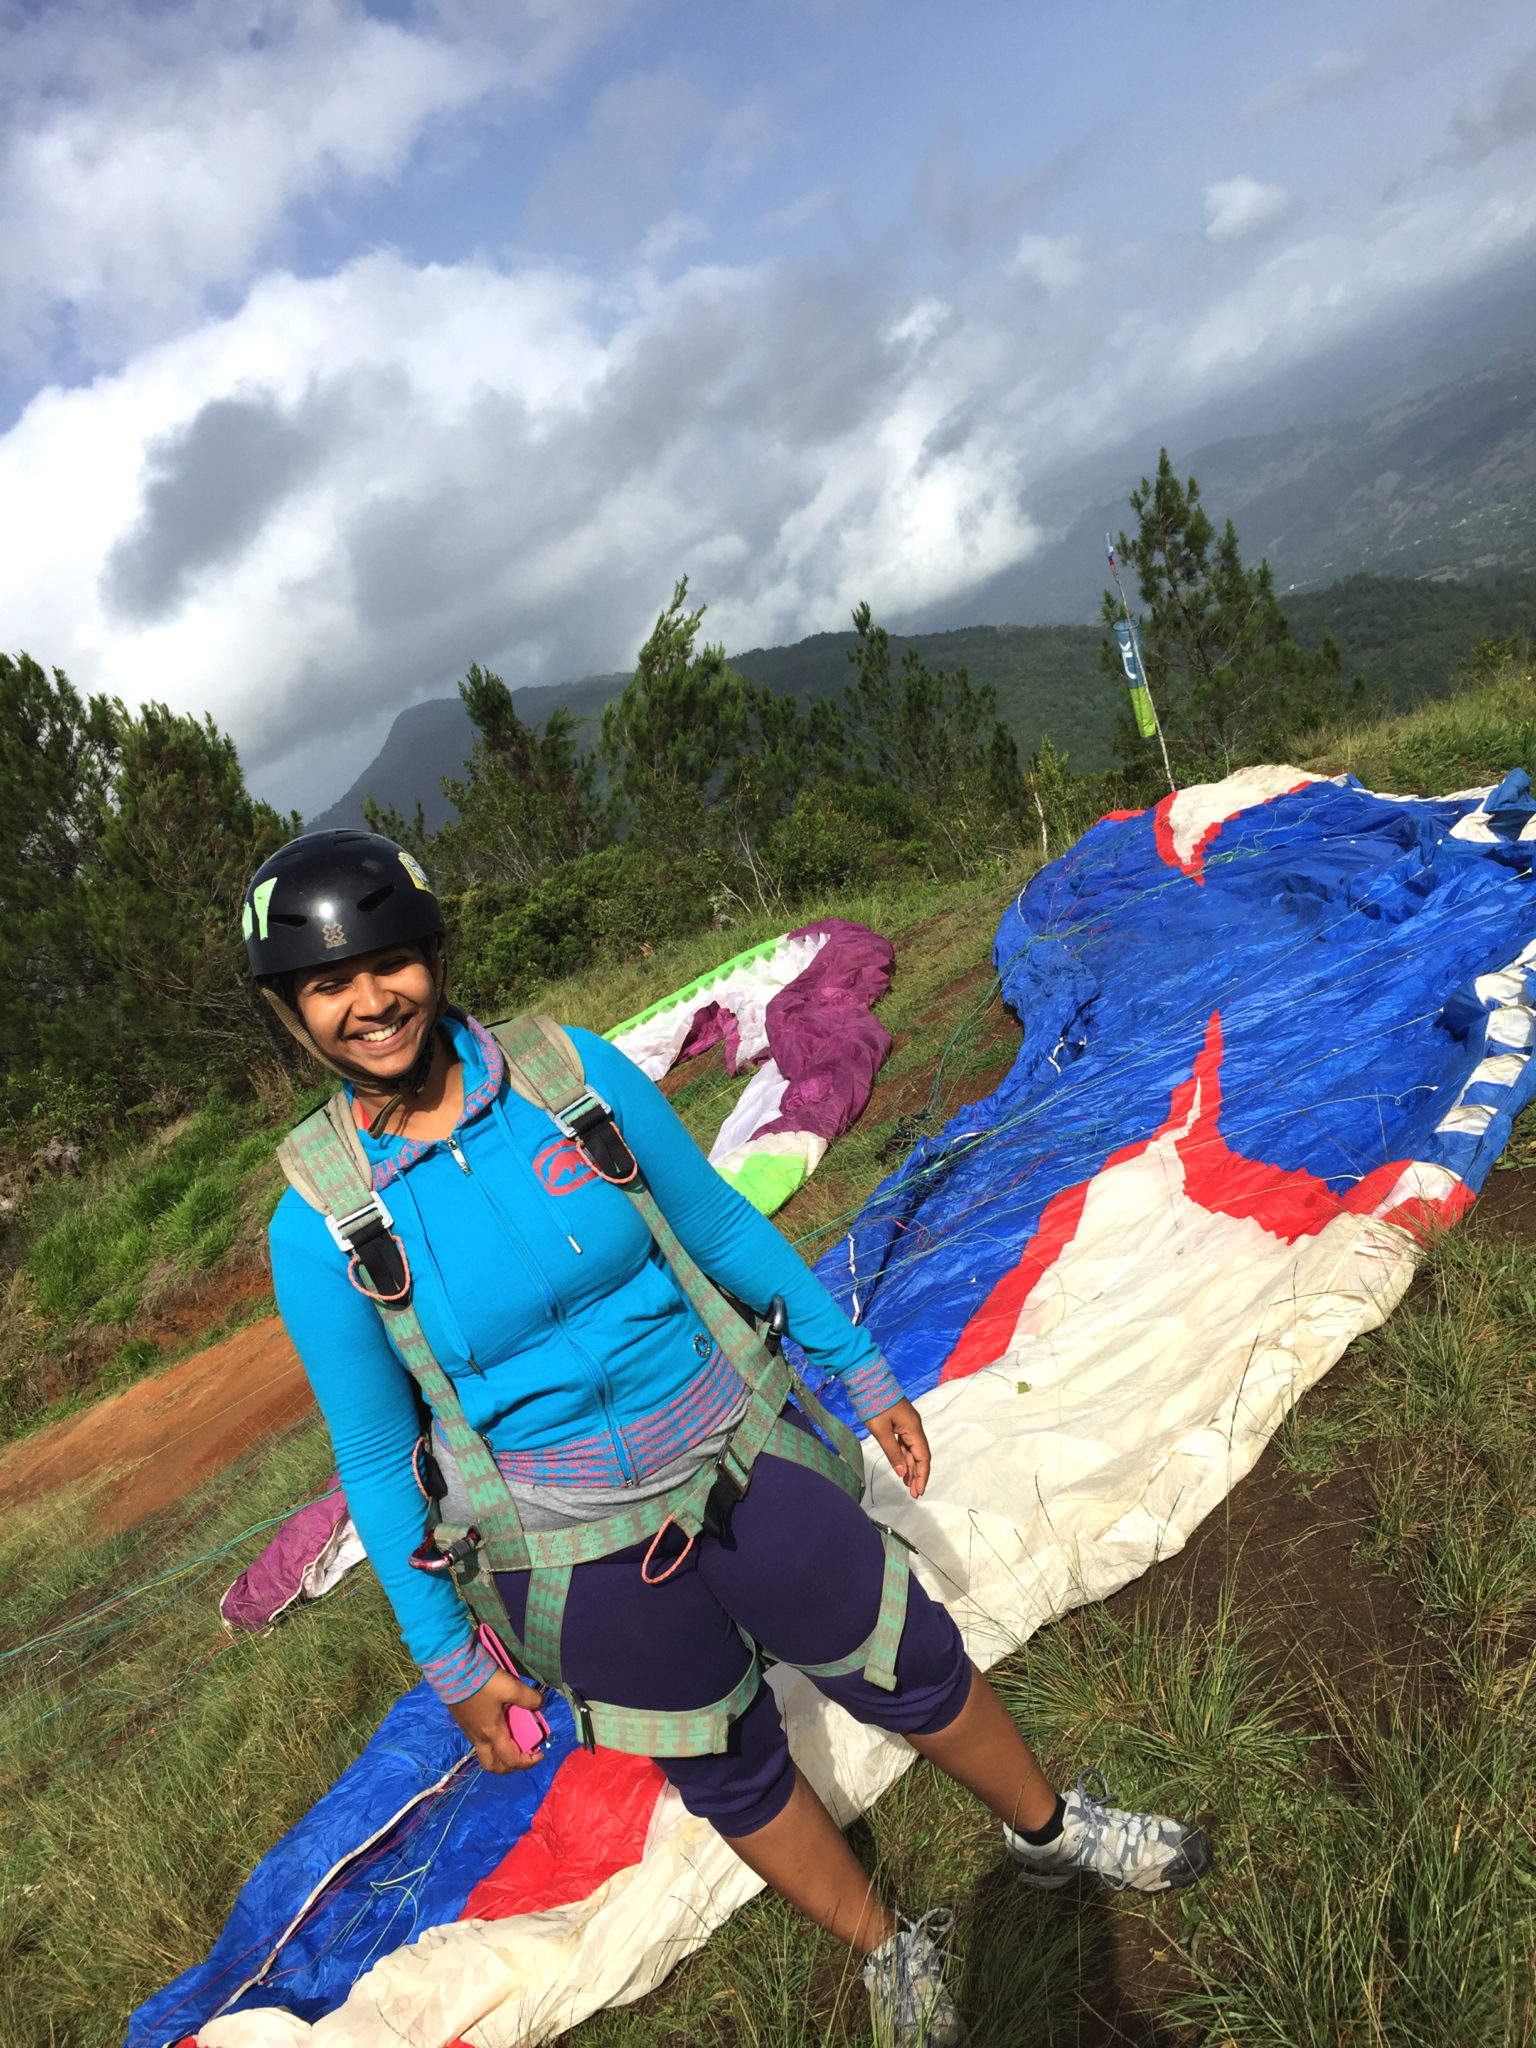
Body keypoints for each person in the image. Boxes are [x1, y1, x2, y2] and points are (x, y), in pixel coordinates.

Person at [248, 829, 1210, 2047]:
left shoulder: (566, 1079)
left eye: (389, 964)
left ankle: (1049, 1829)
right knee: (728, 1762)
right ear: (292, 1012)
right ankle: (884, 1946)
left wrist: (857, 1366)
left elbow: (712, 1225)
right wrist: (449, 1659)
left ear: (434, 959)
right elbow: (381, 1459)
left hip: (733, 1448)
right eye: (329, 984)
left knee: (904, 1650)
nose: (369, 1003)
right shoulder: (324, 1224)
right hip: (572, 1544)